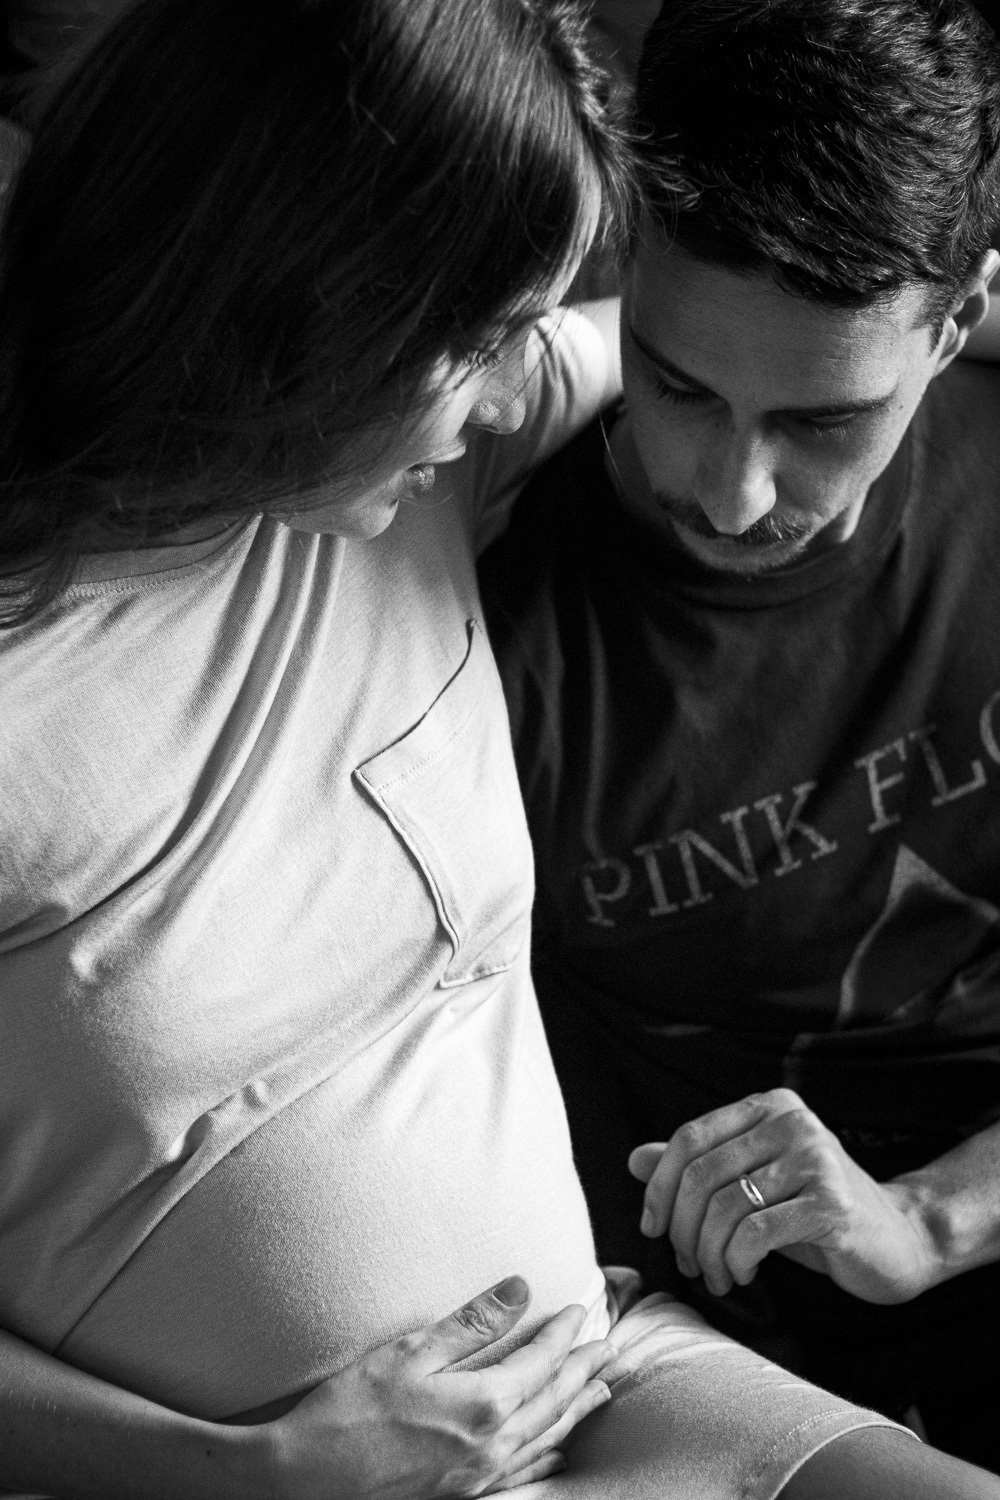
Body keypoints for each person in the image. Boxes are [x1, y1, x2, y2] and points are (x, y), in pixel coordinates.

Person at [8, 1, 991, 1497]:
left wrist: (949, 310)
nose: (517, 389)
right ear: (305, 319)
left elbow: (819, 326)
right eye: (478, 340)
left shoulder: (411, 475)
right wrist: (245, 1468)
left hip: (608, 1372)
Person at [479, 0, 1000, 1476]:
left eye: (823, 422)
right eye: (679, 385)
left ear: (955, 320)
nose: (733, 492)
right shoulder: (492, 627)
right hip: (717, 1333)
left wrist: (935, 1220)